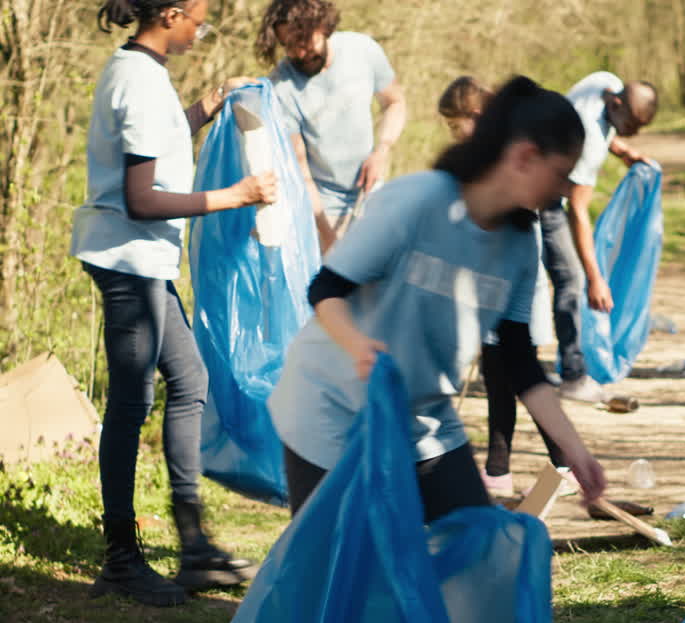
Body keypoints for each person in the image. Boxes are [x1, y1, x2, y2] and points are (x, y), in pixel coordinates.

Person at [268, 76, 607, 525]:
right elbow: (326, 289)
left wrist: (575, 451)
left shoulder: (520, 246)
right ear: (525, 157)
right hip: (332, 411)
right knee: (336, 572)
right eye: (562, 173)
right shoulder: (418, 200)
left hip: (423, 423)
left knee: (471, 551)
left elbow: (520, 362)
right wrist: (360, 349)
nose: (566, 189)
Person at [76, 0, 276, 607]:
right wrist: (234, 196)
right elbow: (141, 197)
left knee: (190, 381)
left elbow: (157, 153)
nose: (203, 27)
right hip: (127, 261)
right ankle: (120, 561)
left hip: (146, 262)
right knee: (133, 400)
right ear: (170, 14)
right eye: (200, 17)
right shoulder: (136, 80)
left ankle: (193, 548)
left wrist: (208, 105)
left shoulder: (147, 73)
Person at [438, 76, 567, 495]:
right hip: (491, 275)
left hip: (510, 275)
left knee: (514, 371)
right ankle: (502, 470)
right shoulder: (491, 152)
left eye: (456, 127)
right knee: (503, 376)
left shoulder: (506, 152)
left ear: (474, 115)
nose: (454, 137)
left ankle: (558, 462)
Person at [255, 0, 406, 253]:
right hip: (321, 205)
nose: (300, 53)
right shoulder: (280, 88)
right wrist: (328, 238)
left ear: (323, 27)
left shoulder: (363, 50)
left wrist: (382, 149)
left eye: (304, 41)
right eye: (289, 46)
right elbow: (300, 172)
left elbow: (395, 102)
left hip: (372, 191)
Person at [545, 72, 659, 403]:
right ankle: (573, 375)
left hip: (536, 172)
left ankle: (504, 362)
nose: (635, 132)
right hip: (539, 197)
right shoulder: (589, 143)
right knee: (571, 280)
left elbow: (606, 125)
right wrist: (596, 279)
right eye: (632, 124)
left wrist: (622, 148)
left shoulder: (603, 81)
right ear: (616, 103)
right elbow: (577, 212)